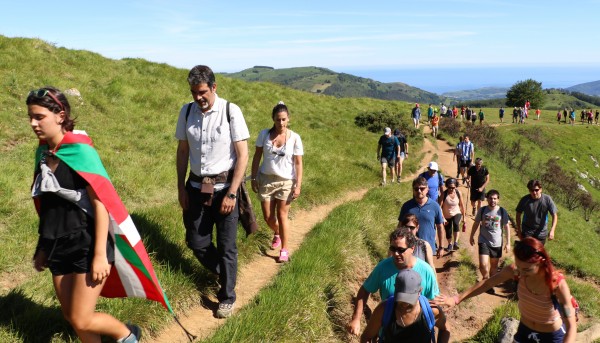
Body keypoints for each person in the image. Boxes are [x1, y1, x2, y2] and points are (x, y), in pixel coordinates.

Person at [28, 87, 141, 342]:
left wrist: (100, 255)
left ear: (60, 115)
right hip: (57, 243)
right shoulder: (43, 154)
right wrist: (43, 246)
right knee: (72, 317)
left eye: (39, 116)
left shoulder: (81, 152)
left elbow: (101, 204)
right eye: (31, 117)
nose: (33, 123)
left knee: (82, 318)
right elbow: (47, 207)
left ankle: (128, 336)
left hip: (86, 244)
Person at [175, 65, 250, 318]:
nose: (198, 98)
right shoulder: (186, 112)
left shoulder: (231, 111)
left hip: (224, 190)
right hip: (196, 188)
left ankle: (227, 296)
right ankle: (225, 272)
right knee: (196, 242)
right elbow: (183, 151)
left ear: (214, 87)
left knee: (227, 246)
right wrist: (180, 186)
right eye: (194, 92)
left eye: (203, 92)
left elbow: (242, 155)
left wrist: (232, 193)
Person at [435, 237, 577, 343]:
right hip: (524, 331)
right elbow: (487, 284)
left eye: (526, 269)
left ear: (541, 262)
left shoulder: (557, 284)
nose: (521, 272)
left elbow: (571, 326)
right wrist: (456, 299)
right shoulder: (516, 271)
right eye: (519, 266)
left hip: (551, 337)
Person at [346, 227, 440, 336]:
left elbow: (434, 302)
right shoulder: (383, 268)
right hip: (389, 333)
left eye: (401, 250)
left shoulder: (426, 271)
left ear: (412, 249)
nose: (395, 253)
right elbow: (365, 290)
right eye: (393, 248)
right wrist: (356, 318)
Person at [250, 101, 303, 263]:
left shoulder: (295, 138)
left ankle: (284, 250)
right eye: (278, 119)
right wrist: (253, 177)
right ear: (273, 119)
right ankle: (278, 232)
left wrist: (298, 185)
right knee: (268, 217)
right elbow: (257, 156)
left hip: (286, 181)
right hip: (266, 179)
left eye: (284, 119)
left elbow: (298, 163)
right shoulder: (264, 135)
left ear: (289, 119)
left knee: (282, 215)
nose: (281, 123)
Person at [360, 269, 449, 343]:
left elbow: (445, 329)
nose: (404, 303)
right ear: (395, 289)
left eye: (409, 298)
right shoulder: (384, 310)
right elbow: (366, 337)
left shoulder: (431, 311)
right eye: (401, 298)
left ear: (420, 291)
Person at [470, 190, 511, 293]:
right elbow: (476, 223)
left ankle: (489, 285)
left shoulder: (502, 211)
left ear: (498, 199)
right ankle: (485, 279)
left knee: (494, 266)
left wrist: (508, 242)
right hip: (483, 240)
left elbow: (506, 227)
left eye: (495, 198)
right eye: (490, 198)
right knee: (483, 265)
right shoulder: (483, 210)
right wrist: (472, 236)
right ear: (487, 199)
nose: (492, 200)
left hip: (497, 242)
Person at [398, 177, 445, 257]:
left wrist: (441, 247)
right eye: (416, 189)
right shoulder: (406, 206)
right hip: (409, 247)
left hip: (428, 247)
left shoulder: (435, 206)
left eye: (422, 188)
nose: (419, 191)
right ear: (413, 190)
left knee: (427, 268)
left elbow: (440, 227)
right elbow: (400, 226)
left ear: (427, 189)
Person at [515, 180, 558, 245]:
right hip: (527, 231)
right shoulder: (524, 200)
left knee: (538, 253)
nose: (534, 192)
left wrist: (552, 230)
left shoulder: (547, 199)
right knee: (527, 252)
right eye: (532, 190)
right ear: (529, 190)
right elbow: (518, 214)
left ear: (541, 189)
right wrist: (519, 230)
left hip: (541, 233)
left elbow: (554, 215)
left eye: (536, 190)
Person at [439, 178, 466, 252]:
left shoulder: (458, 193)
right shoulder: (444, 194)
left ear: (456, 186)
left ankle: (456, 243)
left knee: (456, 223)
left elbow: (462, 205)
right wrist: (442, 217)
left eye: (453, 187)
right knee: (448, 231)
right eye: (449, 187)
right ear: (447, 186)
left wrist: (464, 217)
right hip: (446, 215)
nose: (451, 189)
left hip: (457, 212)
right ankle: (450, 244)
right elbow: (439, 207)